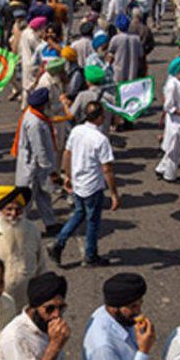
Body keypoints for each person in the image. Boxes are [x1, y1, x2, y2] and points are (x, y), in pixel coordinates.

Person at [48, 102, 118, 268]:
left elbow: (67, 153)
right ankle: (90, 255)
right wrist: (114, 193)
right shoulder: (101, 139)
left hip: (79, 183)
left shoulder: (77, 131)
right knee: (93, 221)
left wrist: (68, 175)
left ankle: (59, 242)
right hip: (92, 186)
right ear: (99, 118)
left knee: (79, 214)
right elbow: (107, 169)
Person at [15, 88, 61, 233]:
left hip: (37, 168)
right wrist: (51, 172)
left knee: (43, 195)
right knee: (26, 200)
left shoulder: (33, 115)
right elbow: (39, 150)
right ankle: (17, 229)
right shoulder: (35, 123)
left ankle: (50, 222)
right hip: (33, 168)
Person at [156, 56, 180, 183]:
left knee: (179, 148)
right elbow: (169, 107)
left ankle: (161, 168)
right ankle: (170, 175)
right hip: (176, 123)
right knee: (174, 149)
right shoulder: (172, 85)